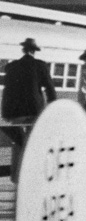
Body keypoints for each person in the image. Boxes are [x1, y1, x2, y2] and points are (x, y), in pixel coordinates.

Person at [1, 36, 57, 183]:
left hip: (14, 113)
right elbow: (50, 89)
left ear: (24, 50)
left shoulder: (12, 66)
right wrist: (53, 107)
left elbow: (7, 91)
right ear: (34, 51)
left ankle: (16, 176)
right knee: (33, 141)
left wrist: (5, 113)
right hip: (34, 111)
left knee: (18, 142)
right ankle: (31, 176)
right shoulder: (40, 65)